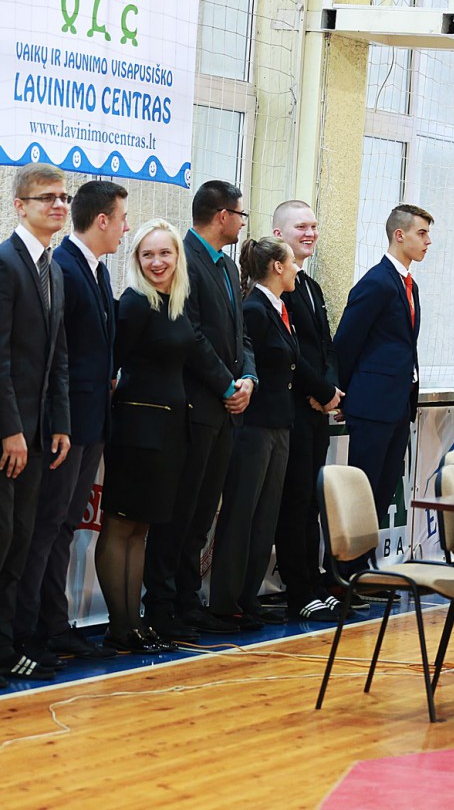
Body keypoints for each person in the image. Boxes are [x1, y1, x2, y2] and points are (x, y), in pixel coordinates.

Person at [0, 162, 71, 688]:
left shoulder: (54, 268)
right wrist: (10, 430)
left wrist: (59, 422)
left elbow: (57, 356)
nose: (59, 205)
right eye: (48, 197)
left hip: (37, 432)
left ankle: (1, 645)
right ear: (20, 206)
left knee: (20, 540)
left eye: (64, 197)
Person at [97, 219, 229, 654]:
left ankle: (133, 623)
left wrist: (232, 385)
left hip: (169, 431)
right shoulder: (135, 303)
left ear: (177, 257)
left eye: (165, 253)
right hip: (137, 431)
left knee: (141, 530)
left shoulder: (174, 302)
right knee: (120, 525)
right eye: (147, 254)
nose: (157, 262)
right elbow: (111, 365)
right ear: (136, 260)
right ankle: (120, 626)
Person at [13, 180, 128, 667]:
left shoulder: (97, 270)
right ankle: (31, 629)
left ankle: (54, 623)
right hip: (65, 424)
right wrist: (61, 421)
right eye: (122, 219)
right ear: (102, 220)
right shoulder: (64, 266)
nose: (125, 228)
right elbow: (56, 355)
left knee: (64, 526)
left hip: (90, 421)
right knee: (48, 526)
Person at [142, 181, 256, 639]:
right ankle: (162, 607)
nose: (243, 223)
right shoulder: (183, 259)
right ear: (222, 215)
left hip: (227, 409)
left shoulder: (227, 266)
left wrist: (248, 379)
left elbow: (241, 335)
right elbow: (191, 335)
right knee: (178, 514)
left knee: (203, 514)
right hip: (193, 408)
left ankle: (189, 602)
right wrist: (227, 383)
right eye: (241, 215)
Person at [206, 237, 304, 629]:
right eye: (292, 261)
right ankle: (225, 600)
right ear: (277, 267)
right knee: (241, 513)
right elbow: (247, 361)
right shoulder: (255, 309)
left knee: (266, 516)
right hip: (255, 426)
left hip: (280, 424)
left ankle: (248, 597)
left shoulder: (280, 307)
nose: (297, 267)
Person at [334, 204, 431, 524]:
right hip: (373, 405)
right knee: (363, 494)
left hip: (399, 404)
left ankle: (368, 554)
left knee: (383, 493)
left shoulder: (409, 285)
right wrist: (341, 393)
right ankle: (351, 555)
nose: (428, 241)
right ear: (399, 235)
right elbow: (347, 341)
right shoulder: (377, 281)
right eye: (421, 233)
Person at [272, 201, 343, 623]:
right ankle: (297, 589)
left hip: (318, 410)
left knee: (311, 501)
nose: (310, 233)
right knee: (294, 501)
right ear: (278, 235)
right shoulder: (278, 289)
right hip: (294, 409)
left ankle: (314, 581)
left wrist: (331, 391)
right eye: (301, 226)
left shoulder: (311, 287)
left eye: (314, 226)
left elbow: (326, 346)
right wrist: (319, 391)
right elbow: (291, 354)